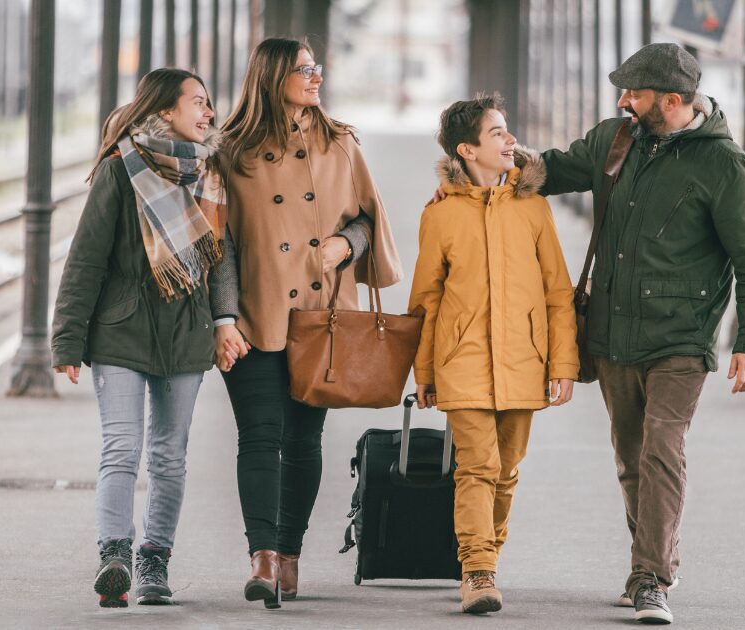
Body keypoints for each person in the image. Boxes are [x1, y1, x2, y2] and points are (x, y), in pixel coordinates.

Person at [539, 43, 745, 624]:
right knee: (629, 457)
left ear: (673, 101)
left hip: (681, 338)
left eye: (635, 93)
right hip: (613, 332)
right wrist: (476, 174)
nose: (623, 100)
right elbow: (549, 170)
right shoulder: (613, 140)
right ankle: (654, 557)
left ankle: (651, 579)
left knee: (661, 449)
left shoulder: (725, 166)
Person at [210, 37, 403, 607]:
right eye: (304, 69)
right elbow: (218, 243)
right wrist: (225, 317)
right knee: (259, 436)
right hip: (255, 313)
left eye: (318, 67)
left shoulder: (339, 143)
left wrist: (346, 242)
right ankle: (262, 557)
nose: (316, 77)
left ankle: (289, 554)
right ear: (273, 76)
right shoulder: (231, 150)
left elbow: (370, 215)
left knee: (302, 441)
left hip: (321, 316)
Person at [50, 68, 226, 608]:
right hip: (121, 329)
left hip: (187, 331)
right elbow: (86, 258)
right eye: (197, 102)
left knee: (169, 455)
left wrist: (226, 323)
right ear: (166, 110)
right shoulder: (120, 170)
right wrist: (67, 340)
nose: (209, 113)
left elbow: (221, 259)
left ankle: (154, 559)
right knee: (122, 448)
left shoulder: (210, 176)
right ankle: (115, 557)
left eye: (208, 103)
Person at [409, 93, 579, 615]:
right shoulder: (440, 214)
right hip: (462, 360)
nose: (510, 140)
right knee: (476, 468)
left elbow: (557, 291)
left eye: (508, 131)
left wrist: (563, 364)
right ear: (467, 149)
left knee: (506, 471)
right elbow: (427, 299)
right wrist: (426, 372)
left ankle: (487, 560)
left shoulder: (533, 207)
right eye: (497, 133)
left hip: (524, 359)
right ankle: (477, 569)